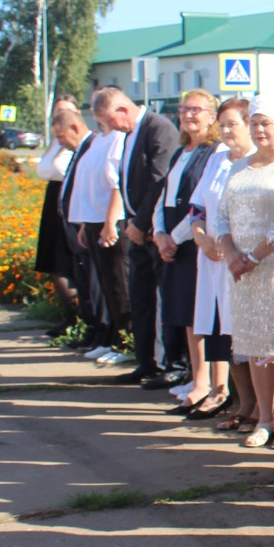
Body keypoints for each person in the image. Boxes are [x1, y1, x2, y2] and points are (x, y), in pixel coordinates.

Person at [213, 95, 274, 448]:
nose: (259, 129)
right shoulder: (239, 167)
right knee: (254, 344)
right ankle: (264, 418)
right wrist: (232, 255)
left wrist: (253, 257)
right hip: (242, 271)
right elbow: (222, 214)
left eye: (266, 122)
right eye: (254, 123)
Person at [93, 86, 176, 385]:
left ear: (122, 110)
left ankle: (167, 363)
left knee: (160, 301)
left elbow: (158, 180)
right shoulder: (129, 133)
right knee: (140, 297)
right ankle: (146, 362)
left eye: (109, 121)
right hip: (136, 227)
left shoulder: (157, 128)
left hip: (154, 230)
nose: (110, 127)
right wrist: (130, 221)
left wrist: (141, 224)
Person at [188, 99, 255, 431]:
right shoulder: (216, 160)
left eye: (233, 124)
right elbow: (197, 208)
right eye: (223, 124)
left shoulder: (256, 161)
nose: (226, 131)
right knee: (223, 333)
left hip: (242, 260)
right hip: (211, 260)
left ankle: (259, 409)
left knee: (243, 333)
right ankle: (243, 403)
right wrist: (201, 237)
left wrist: (229, 249)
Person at [151, 90, 222, 403]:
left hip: (195, 241)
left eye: (196, 109)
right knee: (184, 312)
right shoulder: (181, 151)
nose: (188, 114)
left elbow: (199, 204)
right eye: (184, 109)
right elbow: (164, 196)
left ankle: (210, 384)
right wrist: (158, 233)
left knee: (201, 314)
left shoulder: (214, 152)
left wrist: (175, 237)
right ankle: (196, 378)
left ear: (212, 116)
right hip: (173, 241)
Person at [68, 99, 129, 366]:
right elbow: (88, 182)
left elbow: (116, 183)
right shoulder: (99, 139)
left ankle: (125, 341)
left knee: (119, 284)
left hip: (109, 221)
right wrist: (84, 222)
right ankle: (111, 338)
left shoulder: (117, 139)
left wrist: (110, 222)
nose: (96, 113)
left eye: (100, 108)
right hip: (93, 220)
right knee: (106, 285)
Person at [51, 105, 105, 353]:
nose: (61, 143)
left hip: (88, 228)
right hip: (77, 231)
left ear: (74, 127)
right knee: (85, 285)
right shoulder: (79, 150)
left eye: (62, 136)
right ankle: (92, 332)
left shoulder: (92, 147)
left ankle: (102, 334)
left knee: (95, 286)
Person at [35, 96, 80, 337]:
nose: (60, 116)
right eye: (57, 112)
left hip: (69, 199)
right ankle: (68, 317)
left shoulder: (78, 142)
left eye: (66, 111)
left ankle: (78, 317)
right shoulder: (55, 141)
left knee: (67, 262)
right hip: (53, 199)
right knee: (53, 263)